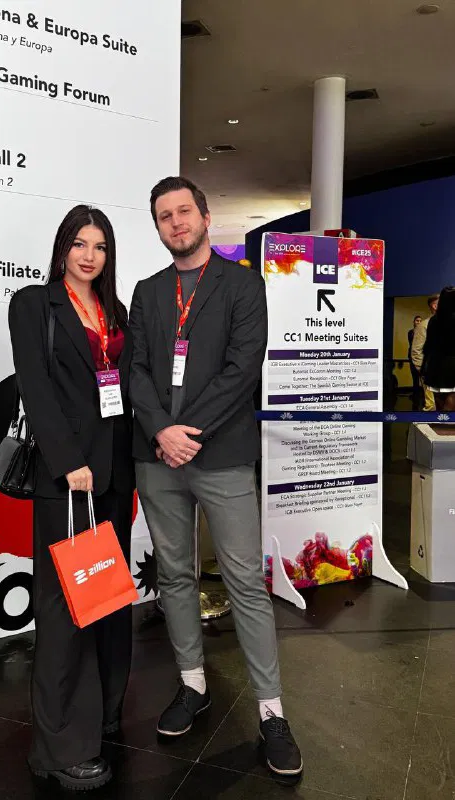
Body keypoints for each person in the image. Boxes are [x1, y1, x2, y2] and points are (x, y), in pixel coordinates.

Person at [129, 176, 303, 779]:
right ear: (157, 227)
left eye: (184, 212)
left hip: (220, 455)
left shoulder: (242, 283)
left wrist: (185, 432)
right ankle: (193, 684)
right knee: (174, 574)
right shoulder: (147, 292)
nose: (175, 223)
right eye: (164, 216)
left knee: (244, 585)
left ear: (205, 216)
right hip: (156, 459)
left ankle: (272, 713)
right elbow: (137, 373)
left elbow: (241, 369)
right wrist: (160, 433)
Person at [8, 205, 134, 791]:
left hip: (113, 477)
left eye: (100, 246)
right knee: (63, 611)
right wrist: (68, 463)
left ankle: (104, 717)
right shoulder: (34, 305)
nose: (89, 255)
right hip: (68, 480)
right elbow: (35, 388)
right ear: (63, 248)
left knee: (105, 599)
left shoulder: (115, 311)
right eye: (79, 244)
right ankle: (58, 749)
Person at [422, 286, 455, 412]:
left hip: (435, 366)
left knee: (439, 402)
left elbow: (428, 345)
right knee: (451, 401)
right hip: (451, 366)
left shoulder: (432, 321)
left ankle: (439, 427)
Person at [411, 294, 439, 411]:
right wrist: (424, 371)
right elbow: (416, 351)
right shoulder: (423, 326)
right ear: (435, 306)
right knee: (432, 407)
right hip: (431, 373)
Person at [408, 315, 422, 410]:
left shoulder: (425, 332)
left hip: (423, 357)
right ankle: (415, 396)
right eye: (417, 321)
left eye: (420, 321)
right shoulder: (411, 332)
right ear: (414, 322)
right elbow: (412, 342)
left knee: (424, 379)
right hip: (413, 357)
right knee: (415, 378)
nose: (419, 322)